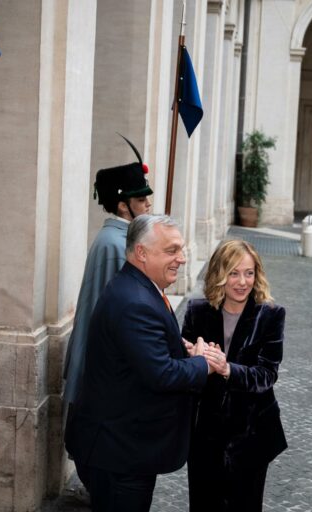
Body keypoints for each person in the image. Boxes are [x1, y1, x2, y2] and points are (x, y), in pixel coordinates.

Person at [65, 215, 213, 512]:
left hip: (122, 449)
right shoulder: (135, 301)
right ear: (142, 253)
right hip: (120, 454)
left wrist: (177, 348)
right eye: (171, 251)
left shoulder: (137, 288)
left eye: (181, 250)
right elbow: (162, 374)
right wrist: (203, 362)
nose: (182, 259)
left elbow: (140, 355)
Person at [181, 239, 287, 512]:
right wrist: (194, 360)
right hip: (206, 435)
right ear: (219, 274)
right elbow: (183, 374)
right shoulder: (197, 312)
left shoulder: (271, 315)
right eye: (234, 273)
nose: (243, 282)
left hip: (251, 435)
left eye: (249, 273)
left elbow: (266, 375)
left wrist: (227, 369)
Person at [62, 135, 153, 406]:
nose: (148, 204)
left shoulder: (123, 239)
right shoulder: (113, 244)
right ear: (123, 205)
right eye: (141, 199)